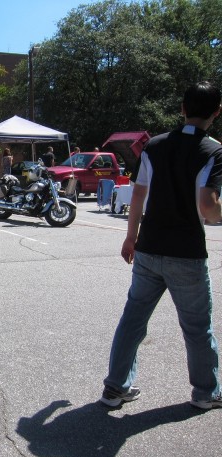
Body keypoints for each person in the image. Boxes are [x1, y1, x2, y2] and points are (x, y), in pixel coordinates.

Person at [100, 81, 222, 410]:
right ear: (216, 112)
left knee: (134, 319)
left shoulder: (154, 146)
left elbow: (138, 193)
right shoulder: (213, 150)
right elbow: (208, 207)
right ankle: (205, 393)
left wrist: (130, 236)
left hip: (149, 248)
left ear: (182, 109)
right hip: (187, 253)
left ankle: (115, 388)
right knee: (197, 327)